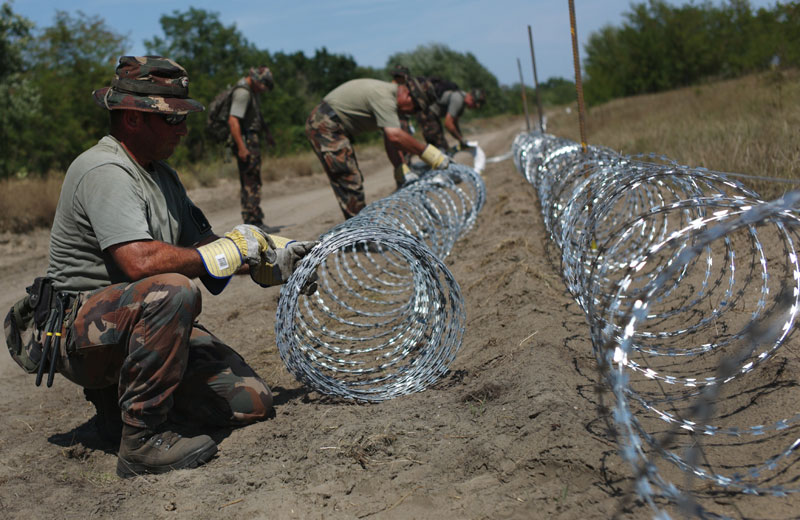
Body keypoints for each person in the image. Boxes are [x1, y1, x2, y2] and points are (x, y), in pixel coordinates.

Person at [6, 56, 315, 478]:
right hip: (82, 333)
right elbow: (139, 262)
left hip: (137, 322)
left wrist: (266, 252)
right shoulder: (105, 169)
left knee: (252, 401)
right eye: (172, 120)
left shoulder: (163, 175)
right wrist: (229, 253)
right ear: (132, 118)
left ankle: (117, 414)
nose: (184, 130)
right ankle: (142, 440)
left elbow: (204, 247)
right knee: (173, 289)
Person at [305, 77, 450, 219]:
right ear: (407, 95)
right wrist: (432, 155)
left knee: (351, 178)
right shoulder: (385, 97)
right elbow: (395, 136)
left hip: (332, 125)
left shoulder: (388, 96)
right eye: (416, 107)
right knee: (349, 179)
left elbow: (390, 139)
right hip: (324, 125)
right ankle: (360, 234)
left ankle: (360, 230)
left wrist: (400, 167)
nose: (413, 112)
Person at [227, 66, 279, 233]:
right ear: (257, 80)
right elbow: (233, 120)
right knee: (250, 182)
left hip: (252, 139)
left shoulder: (252, 92)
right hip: (246, 141)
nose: (264, 89)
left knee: (253, 180)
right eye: (264, 85)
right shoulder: (243, 93)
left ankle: (255, 219)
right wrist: (242, 147)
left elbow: (257, 116)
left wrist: (268, 134)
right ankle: (252, 223)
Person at [416, 80, 486, 152]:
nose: (472, 107)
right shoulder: (458, 99)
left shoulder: (462, 104)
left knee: (440, 147)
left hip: (433, 116)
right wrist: (460, 139)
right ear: (470, 98)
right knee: (440, 147)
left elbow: (455, 123)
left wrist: (461, 139)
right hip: (427, 114)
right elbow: (448, 124)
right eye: (473, 105)